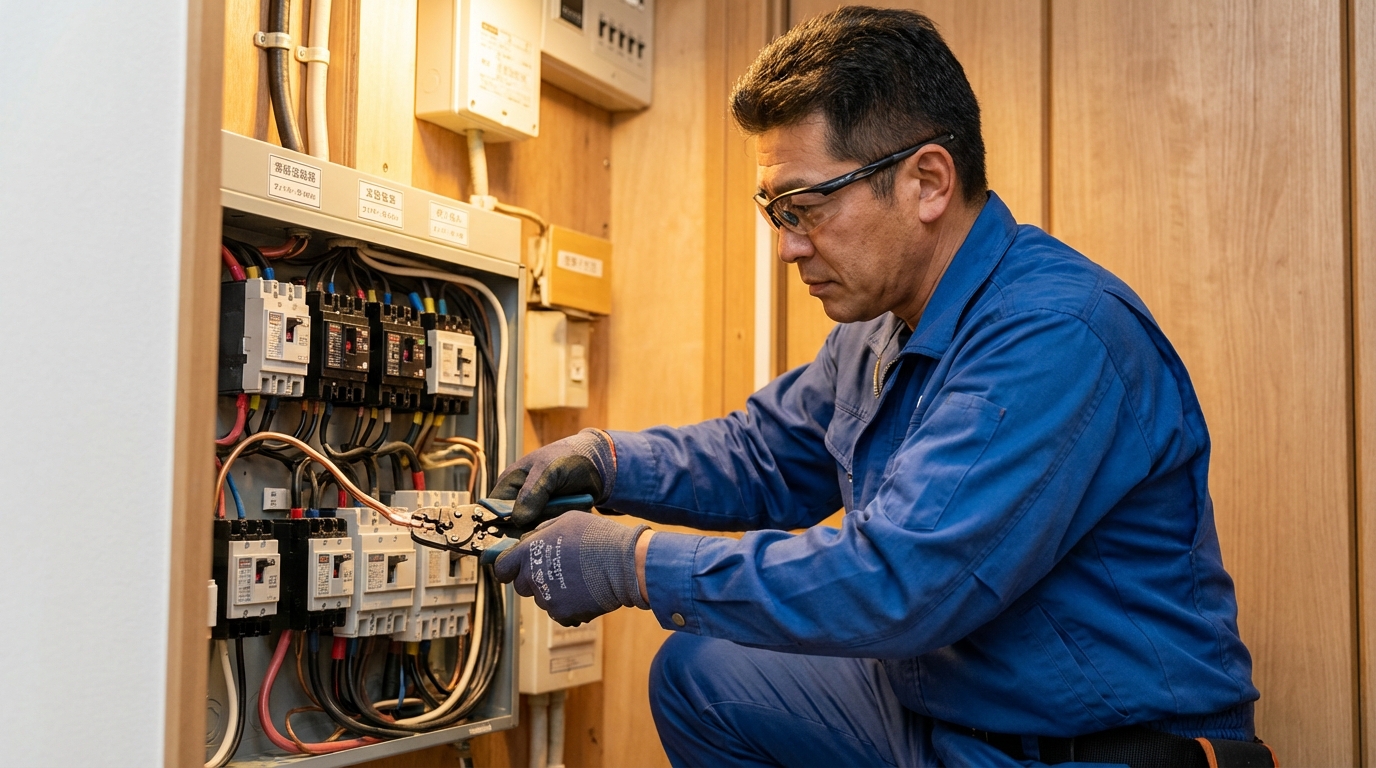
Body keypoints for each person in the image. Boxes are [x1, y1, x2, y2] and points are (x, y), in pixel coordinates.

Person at [491, 7, 1265, 766]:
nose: (789, 248)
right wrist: (606, 462)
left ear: (927, 181)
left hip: (1089, 751)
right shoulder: (879, 328)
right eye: (776, 212)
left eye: (807, 208)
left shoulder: (1055, 334)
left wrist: (633, 563)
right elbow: (764, 455)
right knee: (705, 677)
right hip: (949, 719)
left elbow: (898, 583)